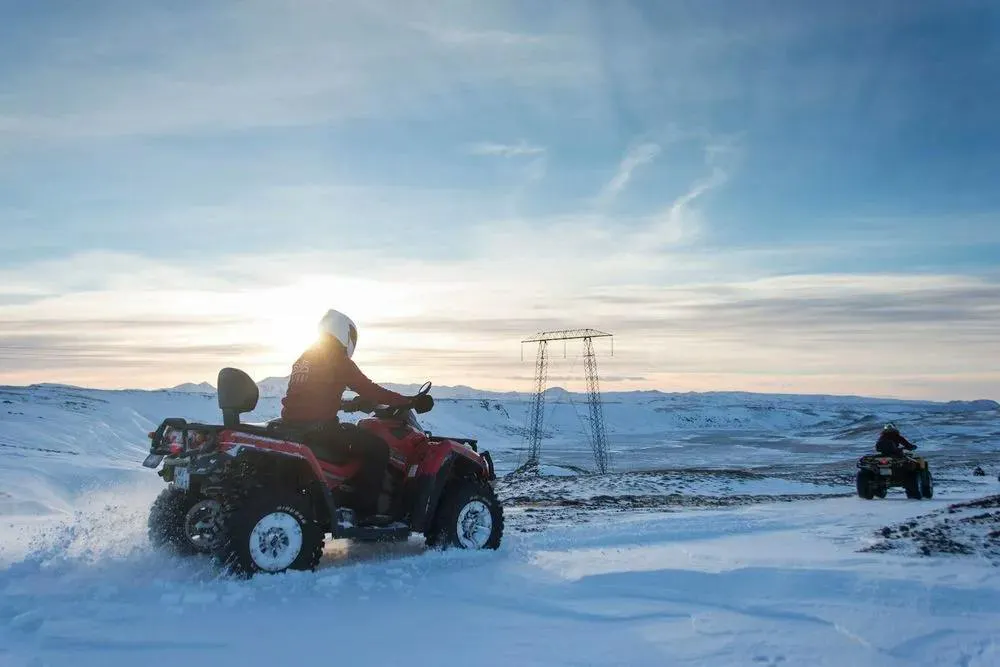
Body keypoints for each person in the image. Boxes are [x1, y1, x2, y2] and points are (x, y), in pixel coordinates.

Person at [280, 309, 431, 525]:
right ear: (345, 333)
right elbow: (371, 389)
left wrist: (348, 404)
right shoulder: (336, 358)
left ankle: (346, 493)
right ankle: (366, 512)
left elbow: (312, 394)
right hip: (321, 431)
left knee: (356, 437)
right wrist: (409, 401)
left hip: (294, 426)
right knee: (378, 448)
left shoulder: (305, 358)